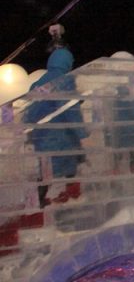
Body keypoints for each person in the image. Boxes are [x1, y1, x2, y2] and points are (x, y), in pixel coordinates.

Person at [23, 25, 89, 206]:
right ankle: (71, 198)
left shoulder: (39, 83)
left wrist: (30, 133)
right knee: (70, 166)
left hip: (42, 137)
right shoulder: (65, 80)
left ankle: (38, 202)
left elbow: (29, 110)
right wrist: (82, 132)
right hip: (62, 136)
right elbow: (70, 109)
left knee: (45, 171)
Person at [107, 85, 134, 173]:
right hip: (132, 133)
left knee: (118, 156)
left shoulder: (115, 102)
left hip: (119, 133)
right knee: (133, 156)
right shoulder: (131, 101)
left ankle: (116, 172)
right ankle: (133, 171)